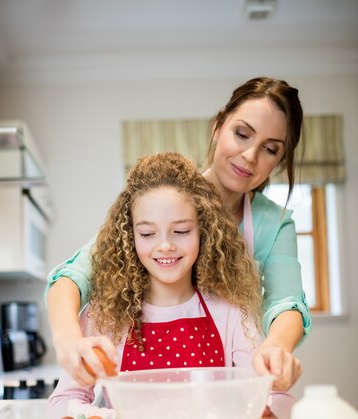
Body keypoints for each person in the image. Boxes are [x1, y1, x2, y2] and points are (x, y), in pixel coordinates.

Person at [46, 76, 311, 391]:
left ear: (280, 160)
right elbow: (72, 277)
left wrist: (275, 347)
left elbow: (287, 303)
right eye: (241, 134)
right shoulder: (169, 198)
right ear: (217, 127)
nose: (250, 156)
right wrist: (68, 340)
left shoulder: (274, 224)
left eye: (270, 149)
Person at [49, 152, 294, 419]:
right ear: (130, 236)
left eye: (181, 231)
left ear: (203, 230)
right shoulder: (106, 315)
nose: (165, 245)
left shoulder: (230, 312)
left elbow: (275, 392)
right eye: (148, 233)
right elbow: (65, 399)